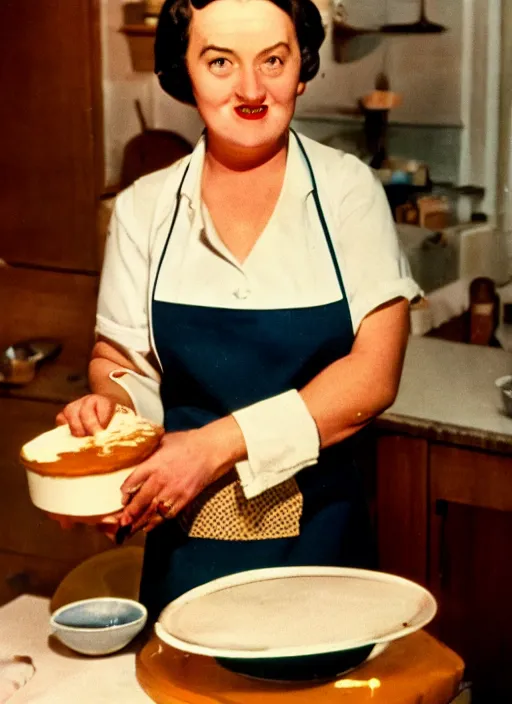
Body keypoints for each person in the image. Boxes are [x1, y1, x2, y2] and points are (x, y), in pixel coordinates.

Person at [57, 0, 421, 620]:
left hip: (322, 548)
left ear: (301, 69)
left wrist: (207, 449)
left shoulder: (348, 190)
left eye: (272, 60)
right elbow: (121, 362)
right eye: (220, 61)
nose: (251, 88)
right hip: (185, 547)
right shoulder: (143, 207)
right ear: (184, 71)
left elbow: (373, 375)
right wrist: (109, 415)